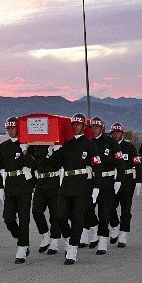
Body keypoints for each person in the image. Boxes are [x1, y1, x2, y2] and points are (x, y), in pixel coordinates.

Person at [46, 113, 102, 265]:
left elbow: (97, 165)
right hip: (67, 184)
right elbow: (53, 164)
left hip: (83, 185)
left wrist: (97, 186)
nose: (75, 127)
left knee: (78, 218)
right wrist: (49, 151)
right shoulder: (67, 144)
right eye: (73, 124)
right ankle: (69, 238)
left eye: (78, 124)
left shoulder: (90, 144)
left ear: (84, 127)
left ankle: (72, 250)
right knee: (60, 215)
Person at [0, 116, 35, 264]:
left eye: (13, 128)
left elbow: (32, 164)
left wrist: (25, 151)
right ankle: (21, 238)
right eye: (8, 128)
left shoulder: (26, 144)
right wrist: (0, 187)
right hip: (10, 184)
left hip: (24, 184)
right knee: (8, 218)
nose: (10, 131)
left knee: (24, 217)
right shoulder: (4, 147)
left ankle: (22, 247)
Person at [85, 116, 124, 254]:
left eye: (96, 127)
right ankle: (94, 228)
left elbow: (120, 162)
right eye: (92, 127)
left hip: (107, 181)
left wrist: (119, 179)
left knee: (104, 211)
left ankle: (102, 240)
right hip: (92, 181)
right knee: (87, 208)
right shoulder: (88, 143)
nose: (94, 129)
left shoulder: (111, 142)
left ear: (102, 128)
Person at [109, 122, 142, 248]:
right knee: (110, 207)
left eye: (118, 132)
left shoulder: (129, 147)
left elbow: (137, 163)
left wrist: (139, 180)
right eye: (113, 132)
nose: (115, 134)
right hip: (112, 181)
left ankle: (123, 233)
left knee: (126, 210)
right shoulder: (109, 146)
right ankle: (115, 226)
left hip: (127, 181)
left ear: (122, 133)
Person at [29, 143, 62, 254]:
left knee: (55, 213)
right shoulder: (36, 146)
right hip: (41, 181)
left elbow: (61, 162)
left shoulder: (57, 145)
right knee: (36, 210)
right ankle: (45, 235)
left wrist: (57, 150)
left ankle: (55, 241)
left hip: (54, 180)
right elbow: (33, 164)